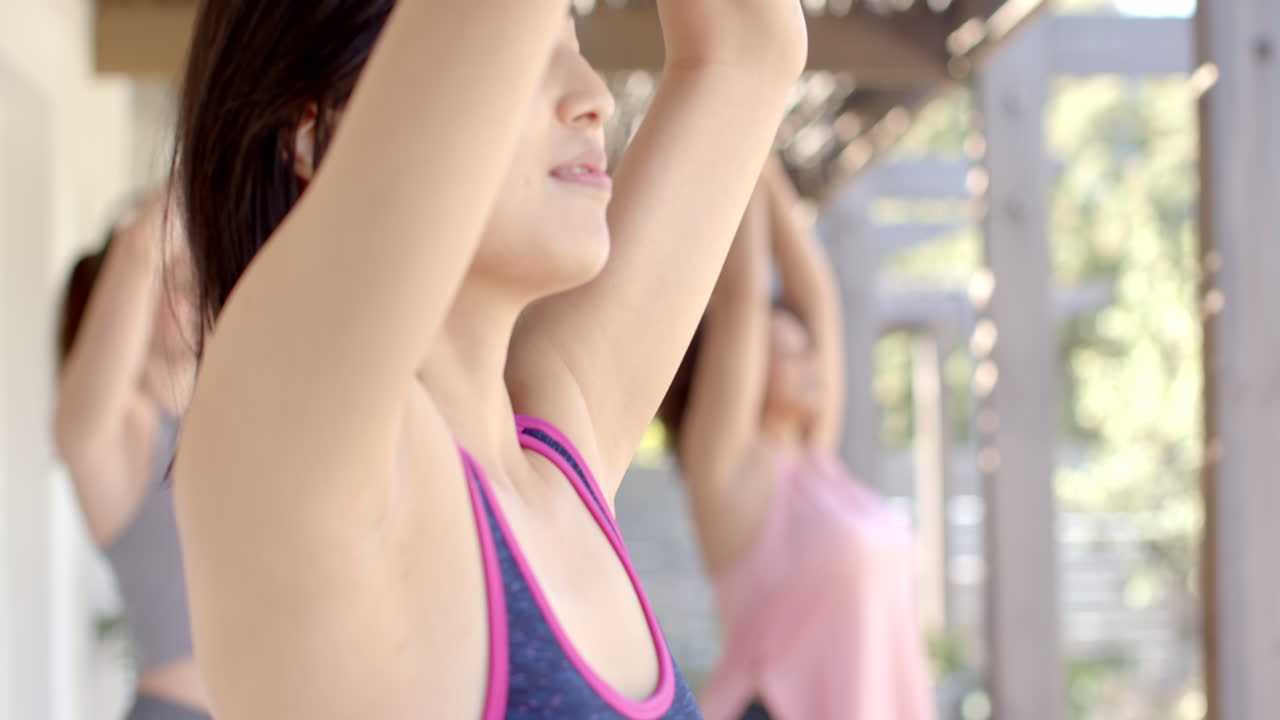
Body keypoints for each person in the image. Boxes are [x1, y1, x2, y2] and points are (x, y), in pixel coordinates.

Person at [168, 1, 808, 718]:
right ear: (318, 136)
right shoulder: (294, 422)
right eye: (528, 52)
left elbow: (748, 49)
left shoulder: (561, 438)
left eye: (575, 44)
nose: (595, 98)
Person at [657, 158, 937, 720]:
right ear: (733, 373)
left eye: (803, 347)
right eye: (781, 354)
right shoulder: (728, 469)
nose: (809, 362)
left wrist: (764, 164)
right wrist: (738, 129)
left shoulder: (814, 464)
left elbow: (821, 300)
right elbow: (740, 297)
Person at [54, 192, 207, 720]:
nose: (193, 290)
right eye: (176, 278)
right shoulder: (109, 436)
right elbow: (144, 243)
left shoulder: (215, 423)